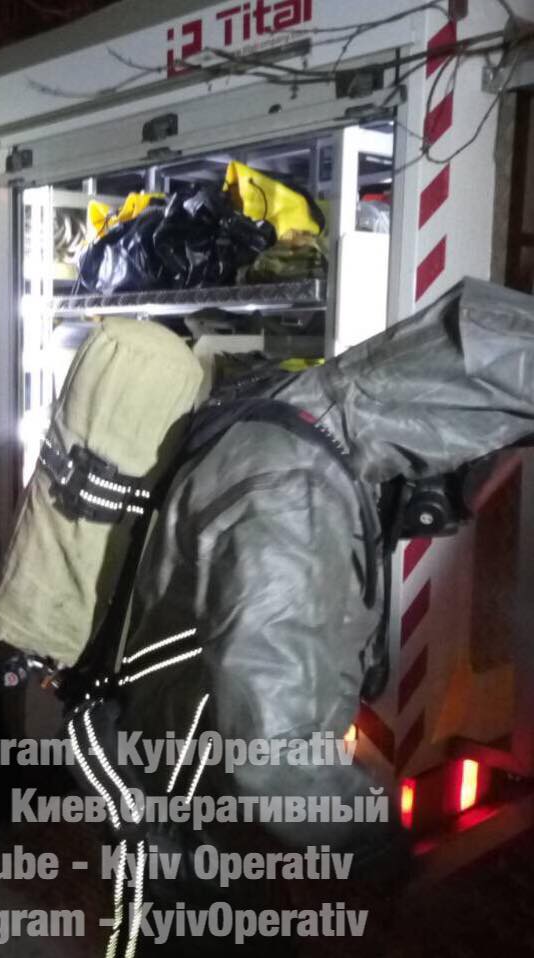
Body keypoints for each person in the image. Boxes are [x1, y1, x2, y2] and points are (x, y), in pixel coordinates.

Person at [61, 278, 534, 955]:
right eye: (502, 456)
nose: (494, 488)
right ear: (463, 434)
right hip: (185, 816)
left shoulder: (314, 417)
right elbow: (273, 755)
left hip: (201, 788)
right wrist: (375, 844)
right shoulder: (294, 492)